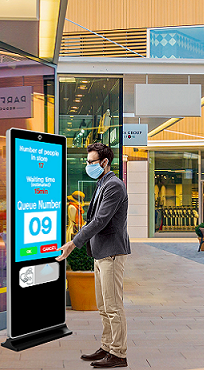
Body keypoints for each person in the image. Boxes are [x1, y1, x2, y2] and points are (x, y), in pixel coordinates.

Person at [56, 143, 131, 369]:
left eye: (91, 162)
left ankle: (119, 353)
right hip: (101, 253)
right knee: (103, 305)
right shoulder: (102, 183)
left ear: (105, 162)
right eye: (87, 161)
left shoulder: (115, 186)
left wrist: (73, 243)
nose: (87, 165)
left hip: (112, 253)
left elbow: (100, 221)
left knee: (113, 305)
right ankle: (107, 346)